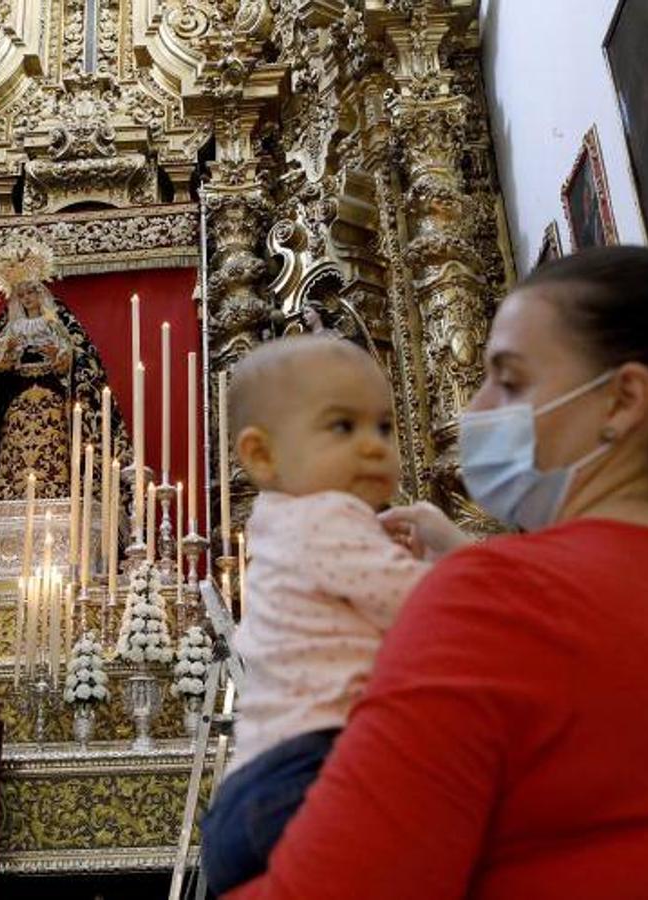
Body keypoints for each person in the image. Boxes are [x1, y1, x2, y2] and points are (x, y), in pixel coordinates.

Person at [226, 246, 648, 899]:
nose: (474, 409)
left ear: (621, 401)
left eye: (509, 380)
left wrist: (467, 586)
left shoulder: (498, 597)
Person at [201, 335, 432, 894]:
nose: (375, 446)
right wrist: (464, 564)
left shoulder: (281, 520)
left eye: (385, 427)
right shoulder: (325, 517)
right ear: (261, 455)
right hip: (307, 776)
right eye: (342, 427)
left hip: (261, 786)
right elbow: (427, 607)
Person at [0, 237, 125, 501]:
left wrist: (58, 355)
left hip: (51, 403)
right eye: (22, 294)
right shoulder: (11, 327)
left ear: (41, 292)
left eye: (31, 292)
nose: (27, 298)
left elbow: (77, 362)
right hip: (19, 404)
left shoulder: (56, 322)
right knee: (13, 453)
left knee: (53, 450)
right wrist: (8, 352)